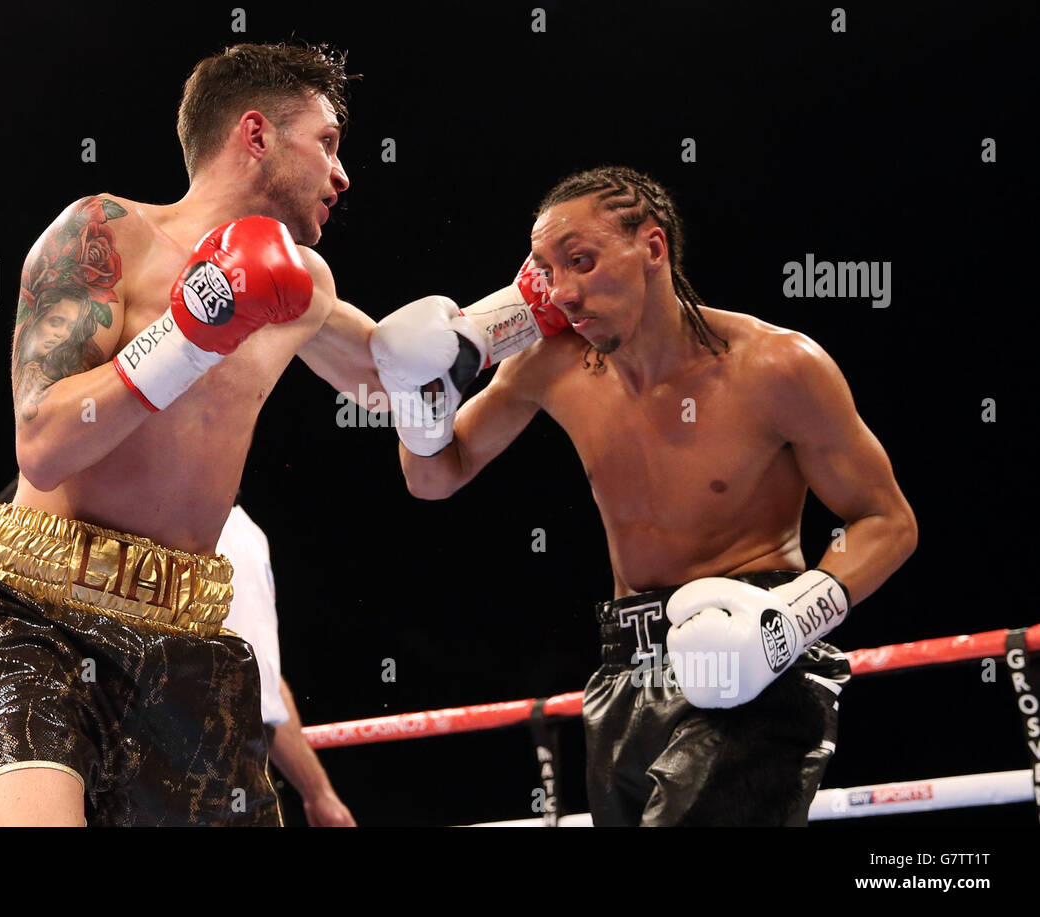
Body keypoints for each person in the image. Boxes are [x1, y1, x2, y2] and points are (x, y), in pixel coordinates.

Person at [370, 166, 918, 825]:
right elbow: (434, 476)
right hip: (624, 668)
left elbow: (888, 519)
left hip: (753, 655)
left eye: (581, 260)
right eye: (545, 270)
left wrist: (790, 620)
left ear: (652, 249)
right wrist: (419, 391)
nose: (563, 292)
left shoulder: (776, 367)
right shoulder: (552, 364)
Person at [0, 42, 389, 826]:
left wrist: (525, 310)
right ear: (256, 135)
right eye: (327, 142)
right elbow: (41, 440)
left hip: (188, 625)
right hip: (43, 610)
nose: (342, 175)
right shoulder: (107, 233)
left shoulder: (304, 289)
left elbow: (395, 375)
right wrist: (190, 333)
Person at [216, 504, 356, 826]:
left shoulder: (243, 532)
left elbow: (263, 685)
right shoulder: (228, 529)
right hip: (180, 776)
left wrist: (318, 793)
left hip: (216, 778)